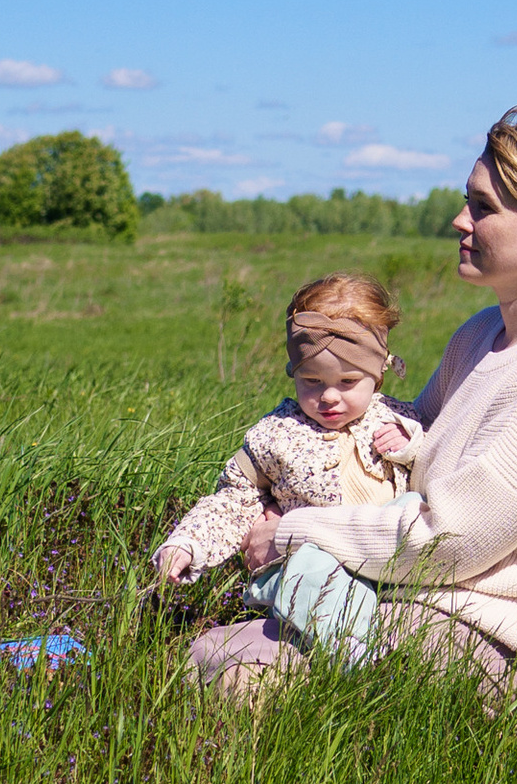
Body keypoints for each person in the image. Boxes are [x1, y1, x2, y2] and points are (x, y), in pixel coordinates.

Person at [188, 106, 517, 707]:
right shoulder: (482, 334)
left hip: (514, 641)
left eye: (483, 208)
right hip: (430, 599)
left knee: (238, 682)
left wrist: (294, 533)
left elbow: (448, 539)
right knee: (204, 656)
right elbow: (402, 449)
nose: (461, 220)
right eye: (468, 201)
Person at [154, 274, 419, 657]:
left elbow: (435, 471)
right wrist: (189, 542)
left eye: (348, 381)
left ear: (378, 375)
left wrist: (411, 446)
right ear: (293, 373)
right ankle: (359, 663)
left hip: (379, 559)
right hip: (302, 565)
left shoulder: (398, 419)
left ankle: (388, 641)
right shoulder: (276, 434)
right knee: (313, 573)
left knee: (407, 513)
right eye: (311, 380)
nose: (328, 396)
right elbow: (232, 501)